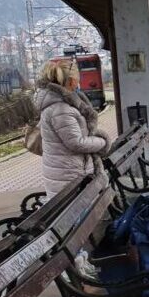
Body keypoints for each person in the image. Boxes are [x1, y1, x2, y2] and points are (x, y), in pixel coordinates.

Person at [34, 59, 110, 196]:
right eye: (77, 78)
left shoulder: (60, 104)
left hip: (68, 172)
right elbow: (76, 143)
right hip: (68, 176)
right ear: (70, 81)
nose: (79, 82)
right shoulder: (61, 109)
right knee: (78, 216)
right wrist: (103, 141)